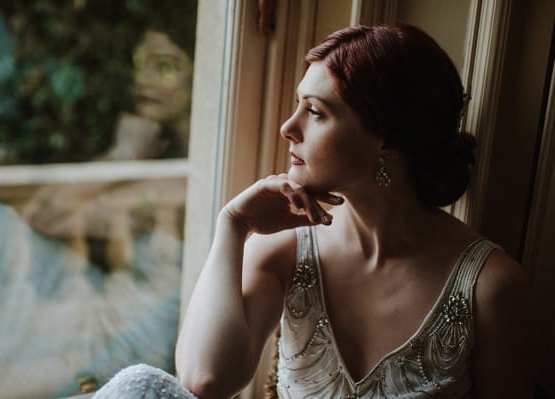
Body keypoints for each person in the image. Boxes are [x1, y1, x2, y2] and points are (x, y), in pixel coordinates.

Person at [93, 24, 535, 399]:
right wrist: (233, 225)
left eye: (316, 112)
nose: (289, 127)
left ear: (387, 137)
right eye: (297, 105)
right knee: (138, 386)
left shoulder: (489, 287)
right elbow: (206, 380)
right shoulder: (288, 247)